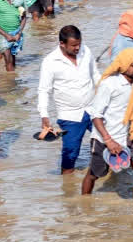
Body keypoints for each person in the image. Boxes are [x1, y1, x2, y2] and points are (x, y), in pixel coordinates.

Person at [83, 48, 133, 207]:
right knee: (95, 174)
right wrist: (108, 140)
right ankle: (84, 206)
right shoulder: (110, 84)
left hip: (129, 138)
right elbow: (95, 115)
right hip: (105, 139)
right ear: (124, 65)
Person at [38, 25, 101, 174]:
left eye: (79, 44)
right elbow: (44, 90)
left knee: (109, 141)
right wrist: (44, 115)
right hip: (70, 115)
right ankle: (67, 189)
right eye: (73, 45)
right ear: (62, 44)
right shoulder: (50, 61)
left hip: (93, 109)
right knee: (70, 156)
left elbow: (96, 76)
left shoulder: (86, 51)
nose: (77, 48)